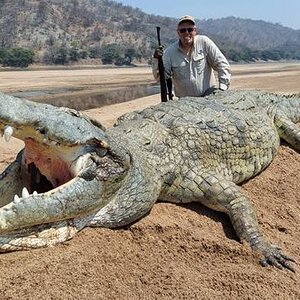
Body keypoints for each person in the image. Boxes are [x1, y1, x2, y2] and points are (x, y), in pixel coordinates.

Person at [152, 15, 231, 98]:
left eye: (190, 29)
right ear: (178, 32)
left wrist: (222, 89)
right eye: (183, 30)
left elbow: (222, 64)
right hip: (184, 103)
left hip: (208, 97)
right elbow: (161, 78)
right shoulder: (169, 52)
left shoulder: (204, 42)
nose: (187, 33)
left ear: (195, 31)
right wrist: (156, 58)